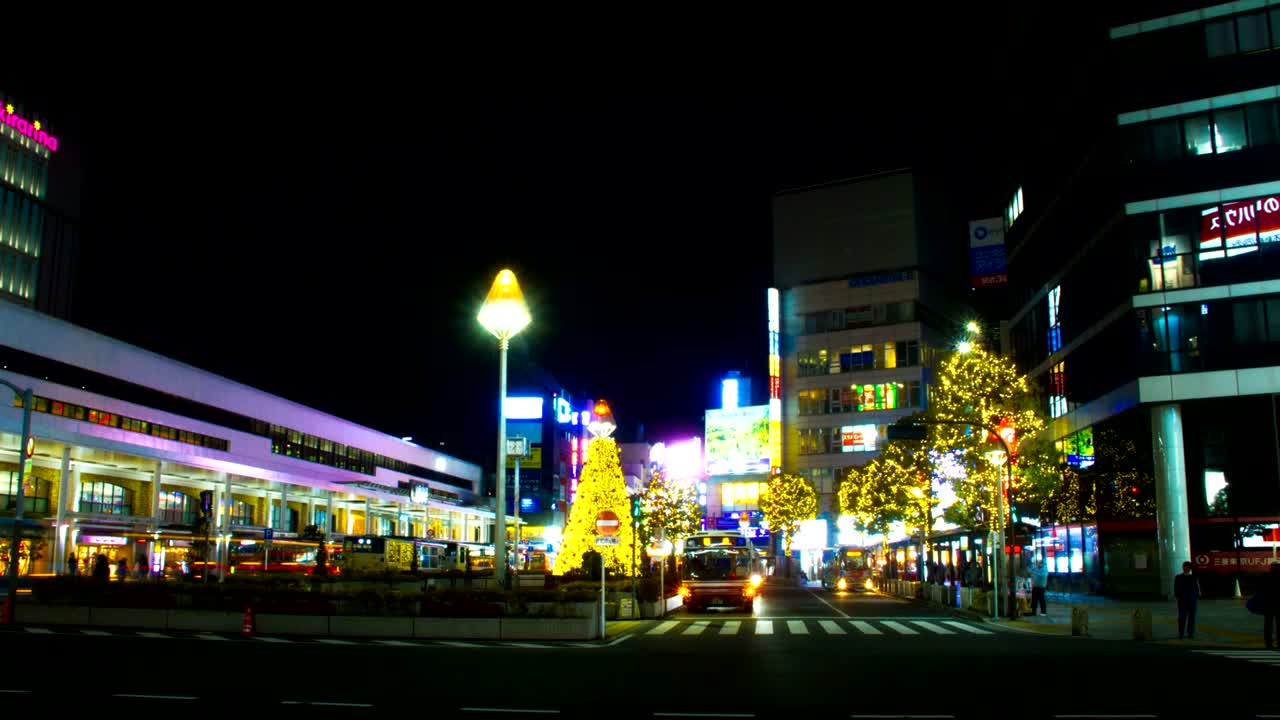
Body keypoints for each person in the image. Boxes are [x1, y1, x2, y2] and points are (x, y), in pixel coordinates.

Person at [1174, 560, 1199, 639]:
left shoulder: (1193, 577)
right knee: (1182, 617)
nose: (1186, 568)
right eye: (1184, 567)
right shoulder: (1178, 577)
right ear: (1183, 567)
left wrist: (1195, 596)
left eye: (1187, 567)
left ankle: (1190, 633)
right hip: (1182, 600)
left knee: (1191, 617)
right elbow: (1176, 589)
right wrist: (1179, 596)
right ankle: (1181, 632)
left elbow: (1196, 588)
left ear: (1190, 568)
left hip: (1192, 600)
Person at [1263, 562, 1280, 649]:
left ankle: (1268, 643)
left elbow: (1262, 591)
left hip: (1268, 604)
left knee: (1268, 624)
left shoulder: (1267, 576)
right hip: (1278, 604)